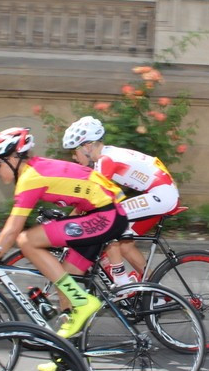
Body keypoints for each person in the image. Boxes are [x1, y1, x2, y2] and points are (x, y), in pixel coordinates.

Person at [0, 126, 128, 347]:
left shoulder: (30, 178)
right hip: (103, 212)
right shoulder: (36, 168)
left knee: (27, 240)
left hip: (107, 214)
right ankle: (66, 352)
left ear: (13, 158)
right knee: (65, 279)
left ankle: (82, 303)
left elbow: (11, 231)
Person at [63, 115, 180, 285]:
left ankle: (121, 281)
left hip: (162, 195)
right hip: (161, 193)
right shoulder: (107, 155)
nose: (74, 157)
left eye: (75, 151)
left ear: (87, 146)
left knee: (109, 219)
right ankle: (156, 291)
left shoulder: (106, 160)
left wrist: (68, 221)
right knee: (125, 246)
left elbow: (91, 197)